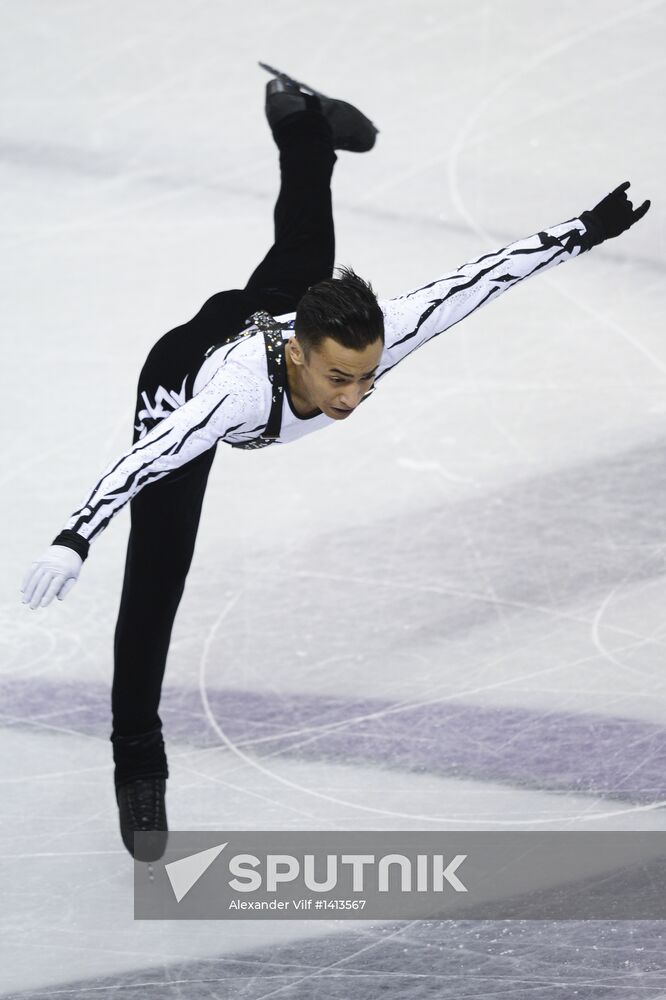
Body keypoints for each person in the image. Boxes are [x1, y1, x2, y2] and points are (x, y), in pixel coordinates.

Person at [21, 65, 650, 861]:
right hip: (183, 368)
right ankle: (138, 759)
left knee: (307, 244)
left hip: (279, 308)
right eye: (340, 378)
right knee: (157, 578)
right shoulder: (229, 401)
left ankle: (300, 115)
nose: (354, 396)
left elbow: (477, 282)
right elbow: (144, 458)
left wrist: (582, 232)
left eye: (367, 376)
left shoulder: (357, 339)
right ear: (300, 357)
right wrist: (73, 539)